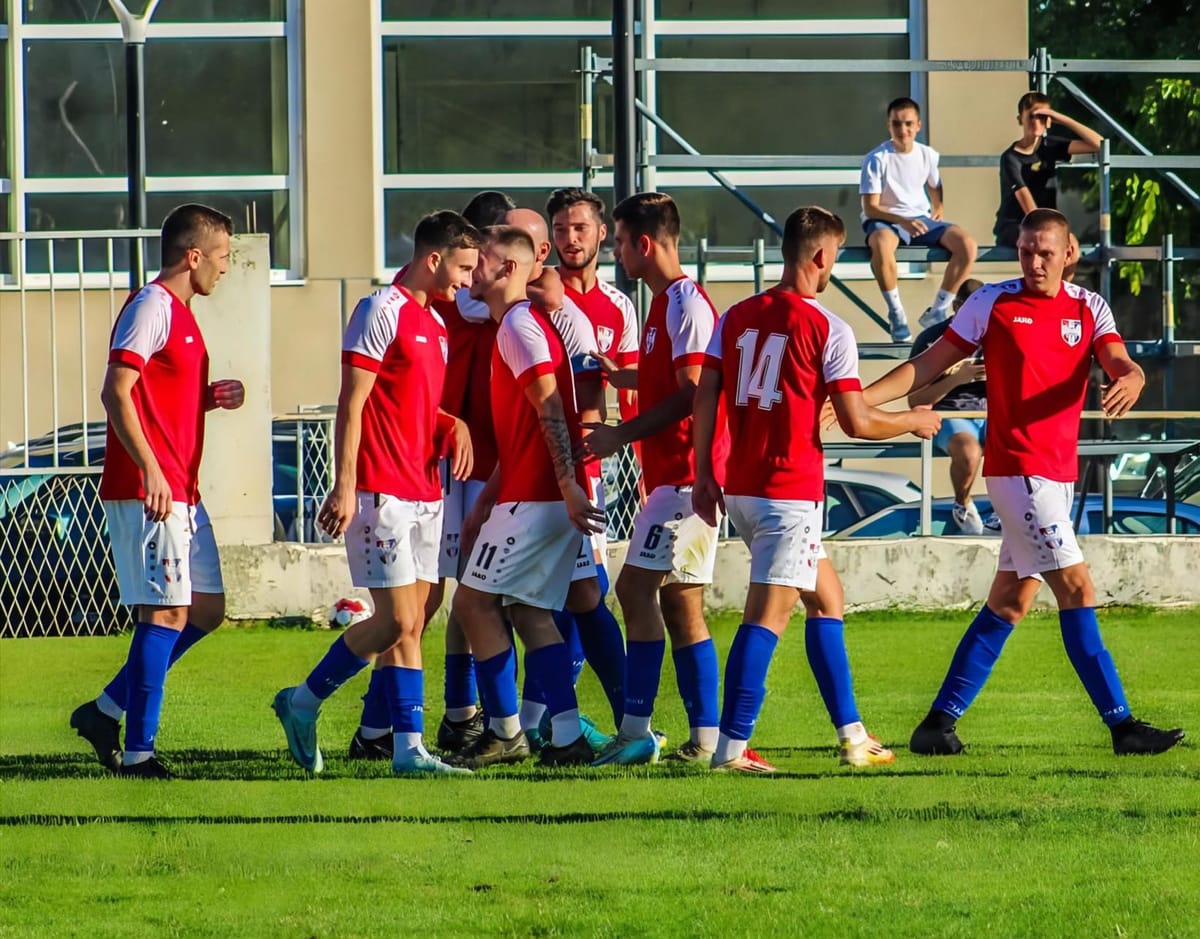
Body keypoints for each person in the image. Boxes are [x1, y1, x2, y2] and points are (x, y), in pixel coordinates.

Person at [859, 208, 1185, 758]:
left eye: (1045, 252)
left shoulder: (1089, 307)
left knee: (1010, 601)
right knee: (1078, 591)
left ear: (1069, 254)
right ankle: (1122, 726)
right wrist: (859, 399)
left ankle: (936, 725)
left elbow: (1118, 360)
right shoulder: (992, 302)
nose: (1034, 261)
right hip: (1018, 471)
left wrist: (1133, 375)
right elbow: (929, 363)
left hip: (1056, 476)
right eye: (1026, 250)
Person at [692, 206, 942, 772]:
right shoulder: (828, 327)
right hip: (787, 493)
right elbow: (856, 420)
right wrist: (913, 420)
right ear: (822, 256)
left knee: (826, 599)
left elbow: (705, 394)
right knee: (766, 619)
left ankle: (854, 736)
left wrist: (707, 471)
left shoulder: (735, 316)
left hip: (745, 490)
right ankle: (730, 749)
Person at [272, 210, 481, 776]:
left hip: (425, 490)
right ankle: (303, 701)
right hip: (381, 491)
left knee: (413, 622)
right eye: (463, 268)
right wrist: (345, 485)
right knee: (392, 621)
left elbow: (411, 403)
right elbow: (353, 401)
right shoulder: (377, 310)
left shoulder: (435, 325)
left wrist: (451, 425)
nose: (467, 281)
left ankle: (408, 750)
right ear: (433, 259)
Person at [69, 203, 239, 779]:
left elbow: (156, 395)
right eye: (222, 257)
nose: (226, 267)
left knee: (206, 611)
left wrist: (209, 395)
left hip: (180, 489)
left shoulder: (183, 314)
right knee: (165, 614)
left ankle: (106, 710)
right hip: (152, 488)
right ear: (193, 257)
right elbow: (116, 391)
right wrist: (150, 470)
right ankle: (139, 754)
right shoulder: (151, 306)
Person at [446, 225, 607, 769]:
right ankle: (565, 738)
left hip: (538, 499)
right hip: (528, 493)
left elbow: (552, 411)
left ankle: (506, 731)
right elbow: (523, 428)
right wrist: (491, 494)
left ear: (509, 269)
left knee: (472, 603)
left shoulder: (518, 326)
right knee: (530, 613)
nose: (470, 273)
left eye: (480, 262)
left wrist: (564, 487)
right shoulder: (515, 325)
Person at [579, 191, 730, 767]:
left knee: (651, 595)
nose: (615, 252)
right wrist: (625, 376)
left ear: (644, 243)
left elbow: (694, 391)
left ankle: (649, 733)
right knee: (666, 600)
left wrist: (624, 433)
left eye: (617, 241)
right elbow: (672, 374)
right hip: (672, 481)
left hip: (687, 481)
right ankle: (697, 737)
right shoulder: (667, 304)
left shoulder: (685, 303)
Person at [504, 206, 626, 748]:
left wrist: (618, 451)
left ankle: (546, 722)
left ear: (601, 234)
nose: (571, 238)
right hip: (512, 471)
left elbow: (611, 386)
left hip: (578, 469)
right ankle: (536, 722)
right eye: (561, 228)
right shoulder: (513, 302)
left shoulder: (612, 307)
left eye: (580, 228)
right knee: (515, 602)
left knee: (578, 593)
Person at [860, 96, 978, 342]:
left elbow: (935, 184)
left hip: (919, 219)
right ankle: (896, 312)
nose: (903, 130)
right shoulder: (876, 159)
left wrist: (939, 207)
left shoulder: (927, 155)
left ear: (918, 125)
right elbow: (870, 208)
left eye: (908, 124)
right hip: (886, 219)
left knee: (967, 245)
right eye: (896, 124)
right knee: (881, 245)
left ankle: (938, 310)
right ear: (888, 125)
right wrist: (901, 220)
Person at [907, 277, 990, 534]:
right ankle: (962, 502)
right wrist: (957, 378)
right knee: (968, 452)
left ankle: (1011, 506)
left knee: (1023, 440)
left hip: (991, 411)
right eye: (969, 310)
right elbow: (915, 400)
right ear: (956, 307)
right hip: (950, 411)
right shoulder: (933, 339)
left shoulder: (997, 334)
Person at [994, 92, 1103, 248]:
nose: (1037, 122)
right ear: (1020, 120)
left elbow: (1099, 144)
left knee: (1072, 246)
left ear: (1049, 121)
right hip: (1014, 225)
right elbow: (1027, 203)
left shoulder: (1049, 146)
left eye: (1042, 117)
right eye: (1032, 116)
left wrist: (1064, 120)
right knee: (1043, 240)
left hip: (1043, 224)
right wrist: (1051, 230)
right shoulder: (1010, 157)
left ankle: (1057, 272)